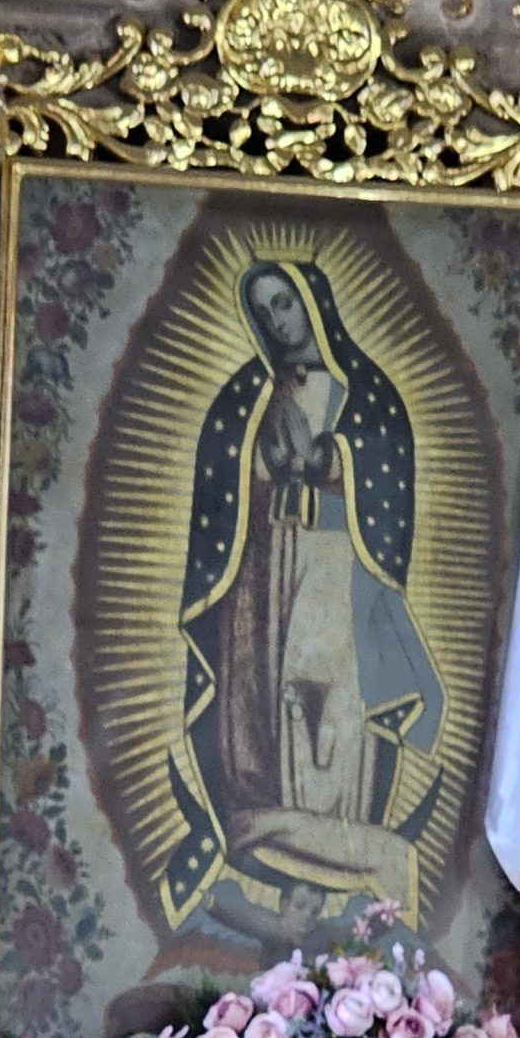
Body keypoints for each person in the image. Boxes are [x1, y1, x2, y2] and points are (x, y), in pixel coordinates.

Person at [159, 258, 447, 936]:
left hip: (335, 568)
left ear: (313, 303)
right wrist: (262, 465)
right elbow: (220, 489)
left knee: (332, 713)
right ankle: (286, 865)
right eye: (265, 311)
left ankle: (328, 862)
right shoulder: (249, 396)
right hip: (263, 572)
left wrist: (330, 462)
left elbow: (388, 487)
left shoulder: (368, 395)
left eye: (284, 303)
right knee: (268, 707)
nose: (277, 321)